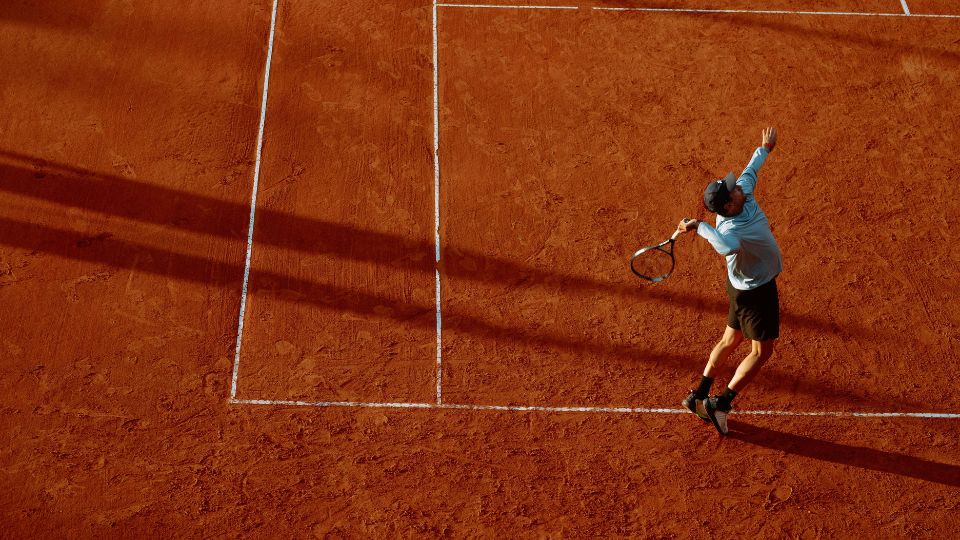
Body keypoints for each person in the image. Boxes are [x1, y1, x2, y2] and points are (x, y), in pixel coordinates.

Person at [676, 127, 782, 435]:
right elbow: (725, 247)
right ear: (727, 207)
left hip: (738, 287)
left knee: (729, 340)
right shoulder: (730, 230)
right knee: (762, 352)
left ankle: (698, 393)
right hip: (756, 292)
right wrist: (700, 227)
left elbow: (751, 170)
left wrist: (764, 149)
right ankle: (721, 404)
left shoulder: (742, 195)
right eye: (733, 191)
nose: (739, 189)